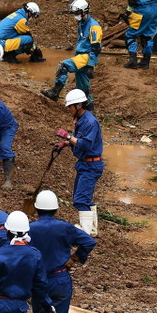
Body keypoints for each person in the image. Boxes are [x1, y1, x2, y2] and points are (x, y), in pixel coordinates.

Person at [27, 190, 96, 313]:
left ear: (36, 209)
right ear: (56, 209)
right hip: (59, 279)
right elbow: (89, 242)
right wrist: (75, 258)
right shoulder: (65, 227)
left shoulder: (30, 228)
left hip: (37, 280)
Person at [55, 88, 104, 235]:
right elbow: (80, 142)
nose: (69, 109)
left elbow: (85, 144)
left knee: (81, 199)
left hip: (91, 165)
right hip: (85, 163)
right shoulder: (81, 120)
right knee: (84, 197)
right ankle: (92, 229)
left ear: (79, 105)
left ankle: (85, 232)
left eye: (70, 106)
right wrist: (66, 144)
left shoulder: (90, 122)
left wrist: (67, 137)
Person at [42, 0, 102, 107]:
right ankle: (89, 106)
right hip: (80, 56)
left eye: (77, 13)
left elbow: (96, 47)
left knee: (63, 66)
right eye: (75, 13)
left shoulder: (94, 26)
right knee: (82, 86)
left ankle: (55, 92)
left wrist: (91, 65)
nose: (76, 15)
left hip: (86, 57)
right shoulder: (81, 23)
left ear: (84, 11)